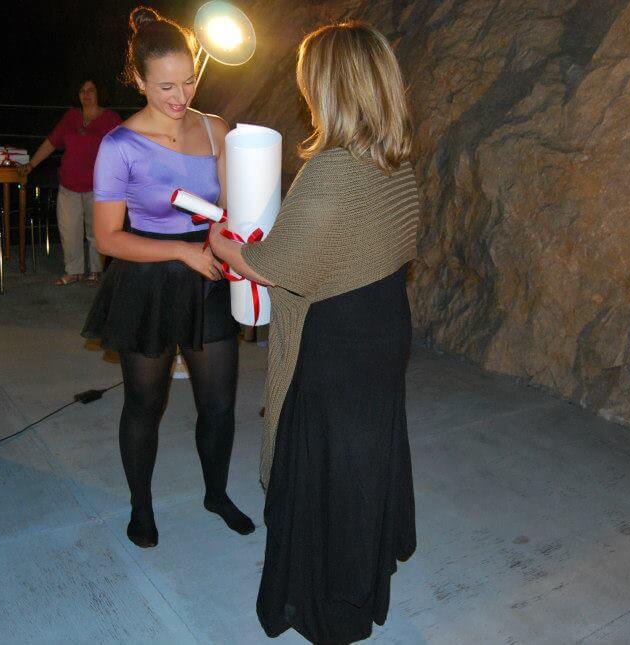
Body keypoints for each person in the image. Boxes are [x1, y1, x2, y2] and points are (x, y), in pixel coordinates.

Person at [210, 21, 420, 643]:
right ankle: (363, 571)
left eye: (308, 80)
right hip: (384, 325)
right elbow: (349, 246)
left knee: (324, 468)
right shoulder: (397, 164)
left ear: (330, 86)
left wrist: (226, 246)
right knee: (361, 460)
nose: (303, 91)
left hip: (335, 340)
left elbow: (281, 267)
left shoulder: (333, 171)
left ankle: (328, 607)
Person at [82, 6, 254, 548]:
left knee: (219, 404)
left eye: (188, 81)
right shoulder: (119, 146)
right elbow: (107, 239)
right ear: (138, 80)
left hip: (209, 275)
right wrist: (181, 253)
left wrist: (237, 245)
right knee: (145, 405)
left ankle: (216, 494)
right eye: (165, 87)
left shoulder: (215, 129)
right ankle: (141, 507)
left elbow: (231, 211)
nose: (180, 97)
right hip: (148, 279)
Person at [19, 78, 122, 285]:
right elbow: (51, 142)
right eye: (82, 90)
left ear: (99, 93)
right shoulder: (71, 117)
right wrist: (31, 164)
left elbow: (126, 146)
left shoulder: (111, 119)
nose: (86, 94)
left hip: (99, 187)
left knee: (96, 231)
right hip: (69, 184)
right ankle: (74, 271)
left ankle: (95, 271)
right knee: (69, 230)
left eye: (91, 90)